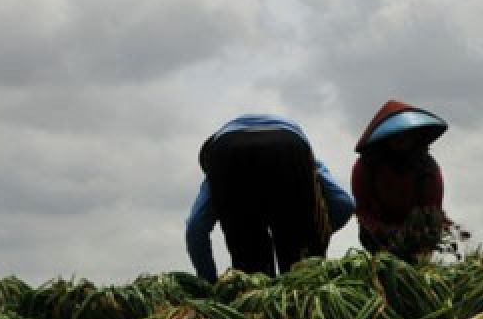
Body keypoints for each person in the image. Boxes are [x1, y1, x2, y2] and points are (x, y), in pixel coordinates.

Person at [186, 114, 355, 281]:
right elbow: (345, 203)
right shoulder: (312, 163)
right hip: (289, 143)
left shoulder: (216, 168)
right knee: (302, 277)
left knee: (254, 277)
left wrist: (208, 281)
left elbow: (195, 226)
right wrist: (314, 234)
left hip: (227, 151)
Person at [351, 100, 451, 261]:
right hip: (377, 236)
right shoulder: (366, 166)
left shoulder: (427, 169)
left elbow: (432, 211)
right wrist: (383, 231)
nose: (401, 140)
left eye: (406, 135)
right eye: (396, 136)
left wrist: (418, 236)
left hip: (416, 236)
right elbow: (362, 210)